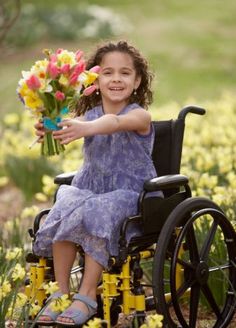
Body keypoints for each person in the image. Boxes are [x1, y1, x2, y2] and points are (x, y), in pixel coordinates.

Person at [34, 40, 162, 326]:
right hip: (89, 188)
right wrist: (50, 128)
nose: (116, 78)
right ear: (94, 78)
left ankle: (88, 295)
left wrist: (85, 128)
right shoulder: (86, 116)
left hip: (130, 197)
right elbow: (70, 126)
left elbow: (113, 124)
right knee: (66, 204)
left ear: (137, 80)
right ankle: (62, 293)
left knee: (97, 210)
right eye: (107, 72)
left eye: (125, 73)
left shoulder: (139, 115)